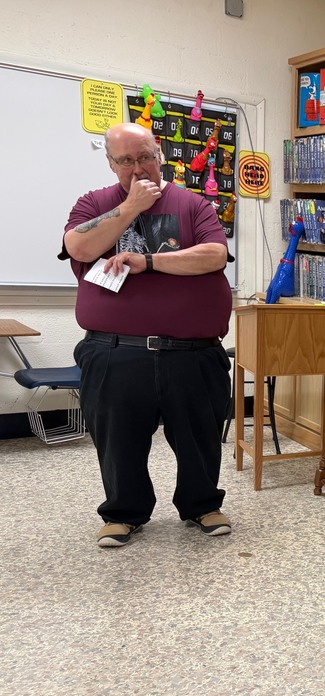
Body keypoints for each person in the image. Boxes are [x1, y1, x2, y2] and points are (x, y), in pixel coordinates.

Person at [60, 122, 233, 548]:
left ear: (159, 155)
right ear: (111, 163)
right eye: (126, 160)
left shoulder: (193, 204)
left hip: (191, 352)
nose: (138, 167)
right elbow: (79, 248)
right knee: (117, 437)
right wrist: (130, 208)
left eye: (145, 157)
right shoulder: (93, 204)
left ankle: (202, 505)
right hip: (114, 350)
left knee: (201, 435)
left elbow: (214, 255)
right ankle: (123, 512)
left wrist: (149, 262)